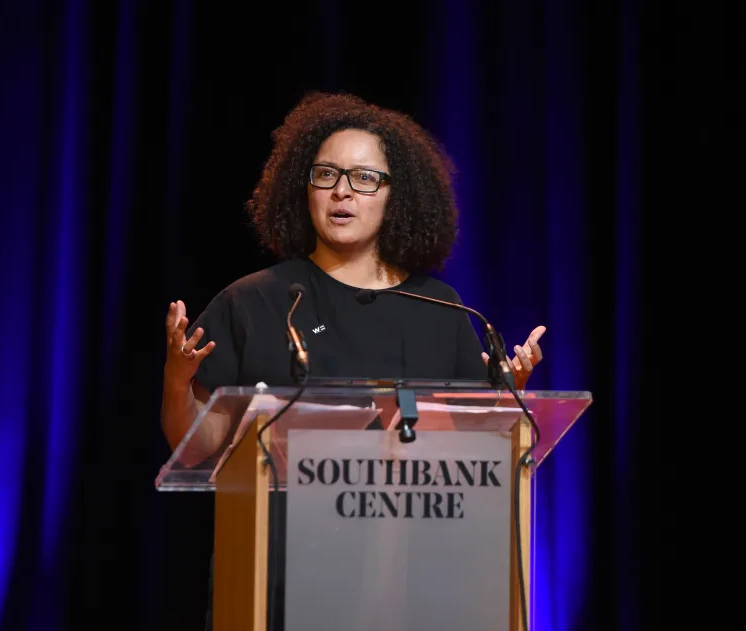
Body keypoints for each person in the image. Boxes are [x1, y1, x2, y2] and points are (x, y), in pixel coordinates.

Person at [160, 90, 546, 462]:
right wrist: (177, 381)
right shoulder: (254, 302)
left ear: (397, 196)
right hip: (285, 528)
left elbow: (476, 452)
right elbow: (194, 447)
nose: (341, 191)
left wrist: (511, 396)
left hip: (409, 526)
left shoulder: (440, 308)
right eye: (326, 174)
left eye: (364, 178)